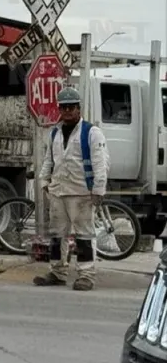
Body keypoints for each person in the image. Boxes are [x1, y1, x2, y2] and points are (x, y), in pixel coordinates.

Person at [34, 86, 108, 292]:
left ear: (79, 108)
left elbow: (100, 164)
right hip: (58, 192)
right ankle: (58, 272)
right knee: (57, 236)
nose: (67, 111)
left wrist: (98, 191)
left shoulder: (92, 133)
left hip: (82, 193)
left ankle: (86, 275)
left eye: (71, 107)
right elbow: (49, 160)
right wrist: (44, 182)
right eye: (64, 107)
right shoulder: (55, 133)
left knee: (84, 236)